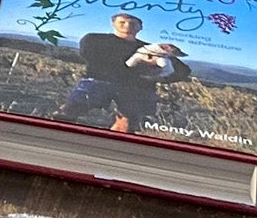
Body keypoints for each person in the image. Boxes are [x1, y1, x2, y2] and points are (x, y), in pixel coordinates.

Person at [61, 11, 190, 134]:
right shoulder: (94, 39)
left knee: (127, 126)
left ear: (140, 27)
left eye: (133, 23)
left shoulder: (154, 49)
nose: (127, 26)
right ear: (113, 23)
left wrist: (159, 78)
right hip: (100, 80)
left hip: (137, 88)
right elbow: (90, 55)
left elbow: (183, 70)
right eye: (122, 22)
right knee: (68, 112)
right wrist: (141, 67)